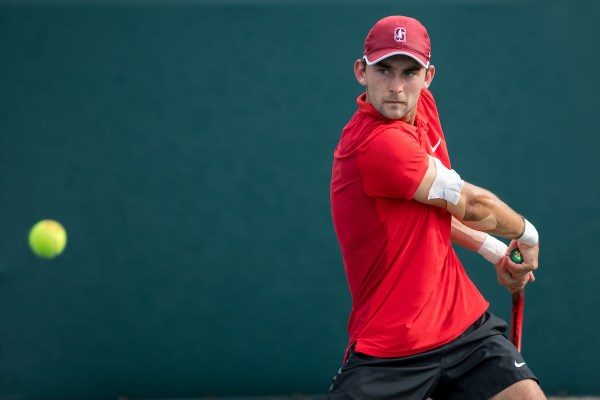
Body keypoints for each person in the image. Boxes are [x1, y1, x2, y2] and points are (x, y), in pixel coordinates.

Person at [327, 15, 545, 400]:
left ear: (428, 77)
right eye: (384, 71)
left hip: (463, 327)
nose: (396, 87)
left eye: (410, 73)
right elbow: (468, 203)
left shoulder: (422, 107)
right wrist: (526, 234)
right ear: (361, 72)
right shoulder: (379, 147)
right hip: (390, 349)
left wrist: (495, 250)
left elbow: (435, 211)